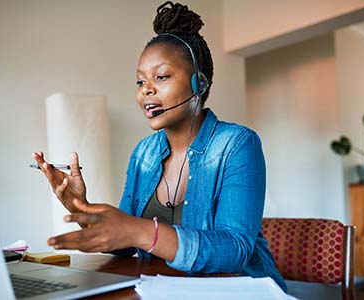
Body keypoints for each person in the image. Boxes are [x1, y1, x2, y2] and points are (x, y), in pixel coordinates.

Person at [32, 1, 286, 291]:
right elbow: (126, 243)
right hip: (166, 289)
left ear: (199, 83)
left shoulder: (238, 144)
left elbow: (234, 250)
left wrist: (141, 232)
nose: (146, 90)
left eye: (161, 77)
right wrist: (83, 208)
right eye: (140, 81)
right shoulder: (144, 154)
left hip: (238, 291)